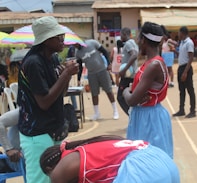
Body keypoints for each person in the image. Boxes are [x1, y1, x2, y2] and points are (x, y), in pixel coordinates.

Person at [17, 16, 79, 183]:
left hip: (53, 128)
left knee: (59, 178)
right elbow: (43, 102)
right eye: (56, 36)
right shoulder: (33, 63)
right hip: (37, 132)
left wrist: (64, 76)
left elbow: (60, 93)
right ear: (45, 40)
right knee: (41, 180)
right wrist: (65, 74)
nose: (62, 39)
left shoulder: (52, 58)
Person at [123, 22, 173, 158]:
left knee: (150, 160)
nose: (138, 42)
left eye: (139, 39)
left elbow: (132, 100)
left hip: (150, 118)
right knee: (141, 159)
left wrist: (126, 91)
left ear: (143, 40)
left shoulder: (154, 65)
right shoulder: (150, 63)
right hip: (144, 115)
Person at [40, 135, 180, 183]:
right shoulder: (91, 146)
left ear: (50, 169)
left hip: (142, 172)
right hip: (161, 159)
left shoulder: (61, 171)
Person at [74, 39, 119, 120]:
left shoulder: (92, 43)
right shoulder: (78, 53)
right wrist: (78, 78)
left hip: (102, 70)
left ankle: (115, 110)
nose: (75, 46)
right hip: (91, 74)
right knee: (94, 94)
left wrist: (109, 64)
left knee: (108, 90)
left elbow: (104, 51)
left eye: (75, 44)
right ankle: (97, 113)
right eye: (73, 45)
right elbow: (80, 66)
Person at [172, 26, 196, 118]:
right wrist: (176, 52)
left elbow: (190, 58)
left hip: (186, 68)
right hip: (180, 67)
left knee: (190, 90)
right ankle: (181, 109)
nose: (178, 34)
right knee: (181, 90)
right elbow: (183, 55)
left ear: (183, 33)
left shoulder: (189, 43)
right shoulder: (182, 42)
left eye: (179, 33)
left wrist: (185, 72)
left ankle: (193, 110)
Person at [117, 27, 139, 115]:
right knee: (132, 98)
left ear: (124, 34)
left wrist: (124, 69)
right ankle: (133, 117)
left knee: (120, 97)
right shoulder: (134, 43)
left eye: (120, 34)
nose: (120, 36)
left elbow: (134, 55)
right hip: (133, 75)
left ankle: (132, 116)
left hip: (127, 76)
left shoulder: (128, 44)